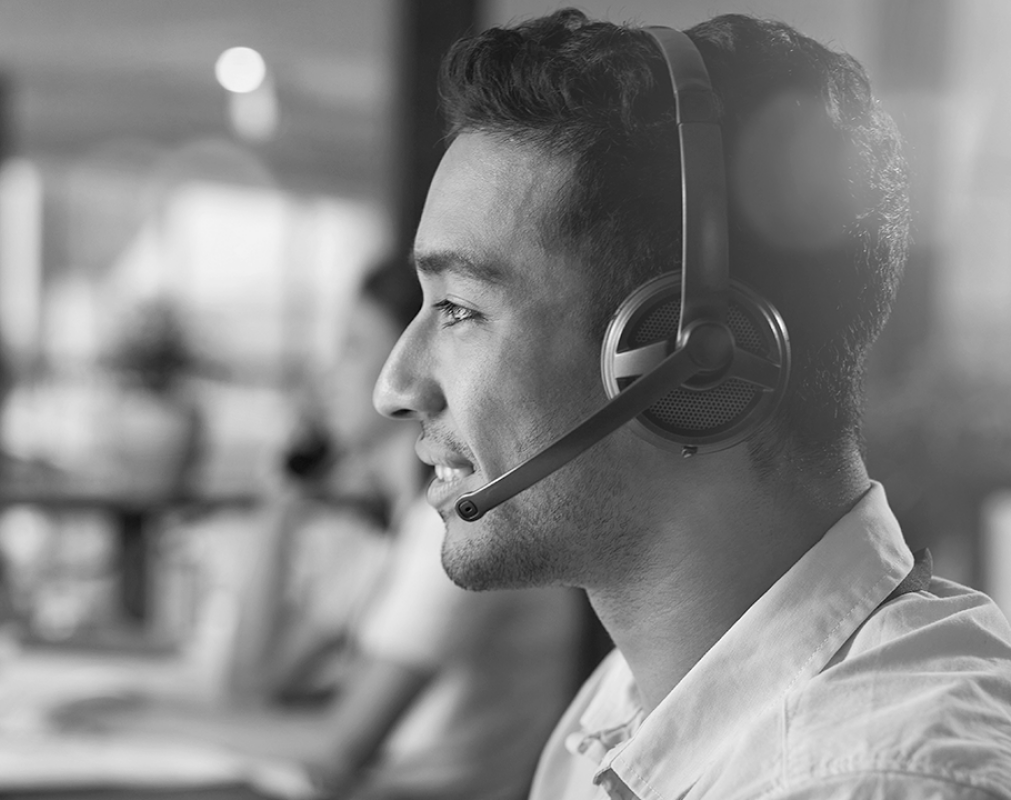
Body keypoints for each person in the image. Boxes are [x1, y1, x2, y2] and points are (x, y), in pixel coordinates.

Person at [374, 9, 1011, 800]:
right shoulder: (634, 703)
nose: (394, 386)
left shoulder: (866, 778)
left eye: (460, 309)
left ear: (686, 360)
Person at [64, 259, 584, 800]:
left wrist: (139, 716)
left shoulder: (456, 532)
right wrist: (280, 510)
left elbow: (340, 746)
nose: (328, 374)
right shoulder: (393, 538)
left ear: (411, 365)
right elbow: (252, 685)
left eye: (354, 347)